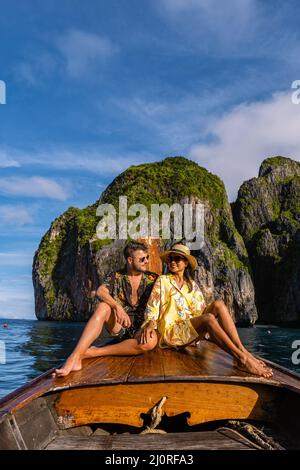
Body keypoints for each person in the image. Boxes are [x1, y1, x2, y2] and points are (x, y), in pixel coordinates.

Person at [140, 243, 273, 378]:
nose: (172, 261)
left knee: (219, 304)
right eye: (170, 259)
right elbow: (153, 306)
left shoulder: (192, 285)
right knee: (208, 318)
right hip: (173, 332)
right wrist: (151, 323)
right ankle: (242, 359)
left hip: (190, 331)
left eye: (177, 259)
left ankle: (243, 351)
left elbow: (200, 311)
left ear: (186, 263)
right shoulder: (163, 280)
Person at [53, 240, 158, 377]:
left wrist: (151, 324)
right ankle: (74, 358)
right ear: (130, 260)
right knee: (103, 306)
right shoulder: (116, 276)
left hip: (141, 329)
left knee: (149, 343)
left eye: (147, 257)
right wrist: (117, 307)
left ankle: (92, 352)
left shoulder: (153, 279)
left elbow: (159, 304)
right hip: (120, 326)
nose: (146, 261)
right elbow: (100, 291)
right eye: (142, 259)